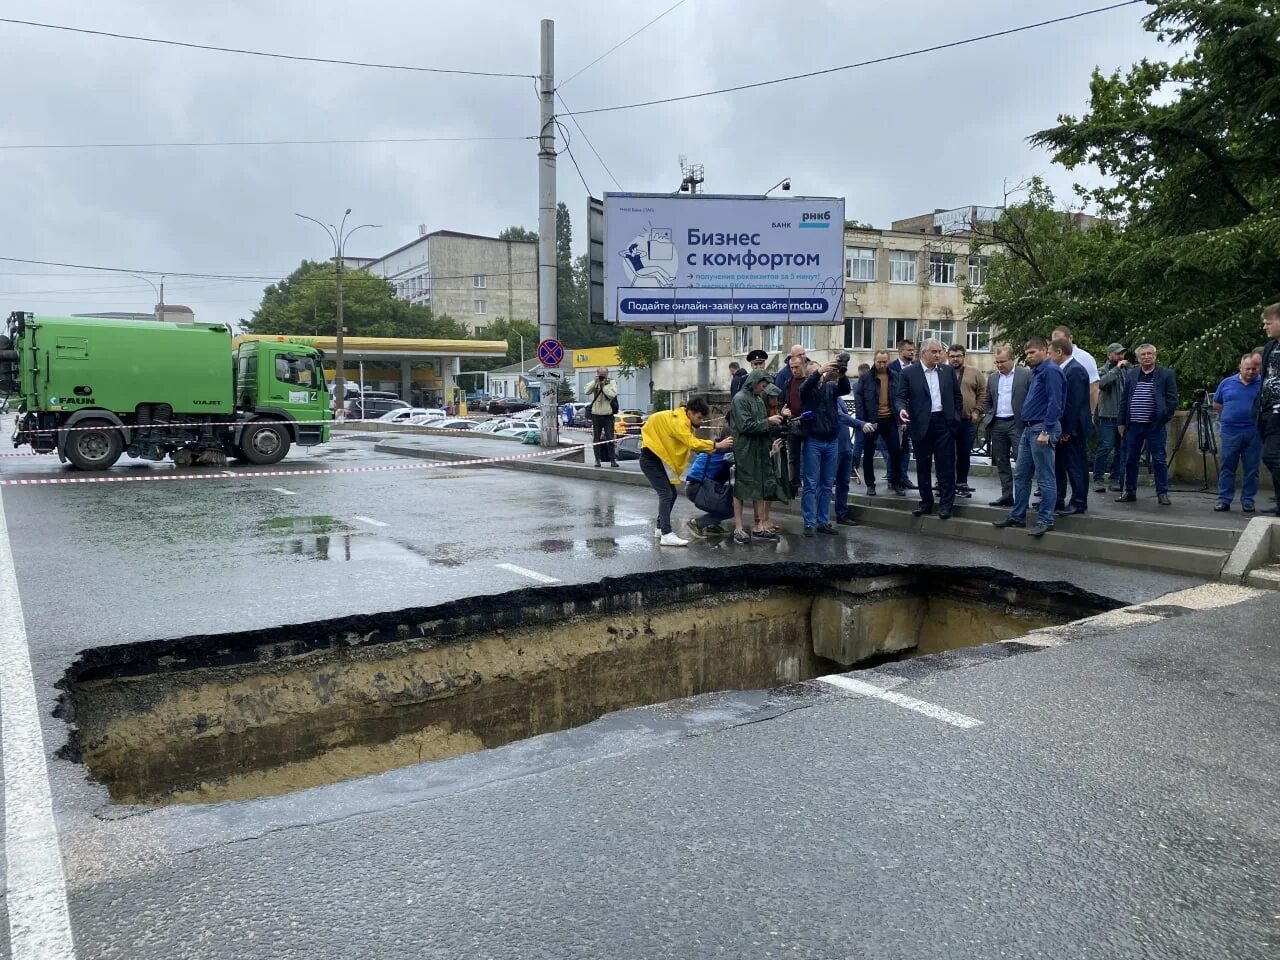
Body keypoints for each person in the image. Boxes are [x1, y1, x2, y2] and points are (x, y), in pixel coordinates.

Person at [992, 337, 1064, 538]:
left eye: (1033, 352)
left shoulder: (1051, 371)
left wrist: (1046, 431)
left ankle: (1045, 520)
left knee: (1045, 477)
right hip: (1029, 428)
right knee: (1021, 474)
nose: (1029, 356)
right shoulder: (1038, 371)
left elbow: (1055, 402)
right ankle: (1017, 515)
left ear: (1044, 350)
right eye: (1028, 353)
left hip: (1042, 428)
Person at [639, 397, 732, 546]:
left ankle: (659, 528)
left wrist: (708, 450)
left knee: (672, 494)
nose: (701, 422)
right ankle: (666, 534)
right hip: (651, 459)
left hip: (655, 458)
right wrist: (717, 444)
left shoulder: (681, 418)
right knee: (666, 494)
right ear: (690, 412)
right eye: (699, 418)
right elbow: (690, 442)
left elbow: (687, 444)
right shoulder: (680, 422)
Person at [894, 339, 963, 519]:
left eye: (940, 351)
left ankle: (946, 505)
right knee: (923, 466)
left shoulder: (947, 371)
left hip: (944, 423)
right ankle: (926, 503)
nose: (938, 355)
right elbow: (900, 397)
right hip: (921, 424)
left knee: (945, 466)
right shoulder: (909, 373)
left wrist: (954, 418)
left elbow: (957, 397)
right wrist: (902, 410)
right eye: (934, 352)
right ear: (923, 353)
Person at [1117, 343, 1178, 506]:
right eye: (1143, 354)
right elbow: (1124, 400)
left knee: (1159, 459)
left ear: (1155, 356)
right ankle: (1129, 491)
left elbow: (1172, 400)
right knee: (1131, 459)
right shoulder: (1132, 374)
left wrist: (1163, 417)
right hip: (1133, 425)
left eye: (1149, 354)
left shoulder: (1166, 374)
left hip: (1155, 426)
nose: (1146, 357)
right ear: (1138, 358)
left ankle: (1162, 493)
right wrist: (1121, 422)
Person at [729, 369, 786, 544]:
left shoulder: (757, 399)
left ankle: (758, 525)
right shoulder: (740, 399)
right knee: (741, 487)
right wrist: (768, 422)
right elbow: (746, 425)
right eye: (763, 383)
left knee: (760, 485)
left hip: (759, 448)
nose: (764, 387)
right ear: (755, 381)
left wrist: (778, 423)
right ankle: (738, 528)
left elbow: (761, 425)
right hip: (745, 449)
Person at [799, 358, 855, 535]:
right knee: (810, 483)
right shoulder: (807, 390)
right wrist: (818, 372)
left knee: (826, 484)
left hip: (831, 440)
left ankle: (823, 522)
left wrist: (842, 373)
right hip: (813, 440)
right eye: (816, 371)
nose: (822, 372)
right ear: (810, 374)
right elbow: (805, 388)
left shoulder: (830, 387)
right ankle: (809, 522)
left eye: (821, 369)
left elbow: (845, 389)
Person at [980, 345, 1031, 507]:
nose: (1000, 365)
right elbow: (987, 399)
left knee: (1021, 461)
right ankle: (1007, 495)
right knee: (1001, 462)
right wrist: (988, 414)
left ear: (1012, 359)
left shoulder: (1026, 375)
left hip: (1017, 423)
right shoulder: (994, 378)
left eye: (1003, 361)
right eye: (997, 362)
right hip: (997, 423)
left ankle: (1022, 499)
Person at [1212, 352, 1262, 512]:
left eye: (1254, 369)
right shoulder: (1227, 383)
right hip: (1230, 431)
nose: (1250, 372)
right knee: (1227, 466)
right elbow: (1217, 403)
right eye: (1247, 368)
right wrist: (1230, 415)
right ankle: (1224, 499)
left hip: (1254, 431)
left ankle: (1248, 500)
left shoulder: (1263, 383)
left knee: (1252, 468)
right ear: (1240, 367)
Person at [1049, 338, 1092, 515]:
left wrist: (1067, 430)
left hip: (1073, 429)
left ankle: (1079, 502)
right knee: (1059, 465)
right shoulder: (1064, 369)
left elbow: (1074, 404)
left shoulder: (1075, 370)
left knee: (1076, 466)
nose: (1048, 356)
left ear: (1060, 352)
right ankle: (1058, 500)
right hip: (1064, 428)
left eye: (1050, 353)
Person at [854, 350, 904, 496]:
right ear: (874, 361)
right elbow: (859, 400)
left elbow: (901, 397)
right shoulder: (866, 378)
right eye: (879, 362)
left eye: (884, 362)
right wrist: (862, 422)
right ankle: (870, 485)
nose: (882, 364)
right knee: (868, 454)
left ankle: (896, 482)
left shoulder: (895, 376)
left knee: (895, 452)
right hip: (871, 421)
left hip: (890, 419)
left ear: (888, 361)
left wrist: (902, 418)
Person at [946, 344, 987, 498]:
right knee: (946, 453)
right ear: (948, 357)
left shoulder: (974, 372)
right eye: (952, 356)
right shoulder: (942, 371)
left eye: (958, 356)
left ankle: (962, 483)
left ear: (964, 356)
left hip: (966, 420)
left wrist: (977, 410)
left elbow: (983, 392)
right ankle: (945, 482)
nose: (955, 359)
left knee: (964, 454)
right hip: (946, 421)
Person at [684, 434, 735, 537]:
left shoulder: (712, 448)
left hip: (693, 486)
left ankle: (712, 526)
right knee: (730, 510)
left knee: (722, 500)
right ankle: (697, 523)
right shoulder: (724, 454)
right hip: (699, 489)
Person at [1094, 343, 1129, 492]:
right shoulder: (1102, 370)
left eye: (1122, 353)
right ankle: (1098, 479)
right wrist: (1116, 369)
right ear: (1110, 355)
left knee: (1121, 449)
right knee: (1105, 447)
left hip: (1124, 417)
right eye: (1118, 354)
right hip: (1107, 415)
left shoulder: (1128, 371)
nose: (1121, 356)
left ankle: (1115, 479)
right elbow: (1101, 384)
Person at [775, 346, 808, 497]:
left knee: (809, 456)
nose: (794, 370)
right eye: (792, 367)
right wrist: (782, 411)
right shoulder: (788, 382)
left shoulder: (809, 381)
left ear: (804, 365)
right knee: (793, 457)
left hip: (808, 424)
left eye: (797, 367)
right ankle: (794, 484)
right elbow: (781, 402)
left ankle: (807, 483)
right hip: (792, 423)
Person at [1258, 303, 1280, 517]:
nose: (1265, 327)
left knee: (1271, 456)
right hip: (1267, 411)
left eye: (1268, 323)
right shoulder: (1270, 347)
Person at [1051, 325, 1100, 415]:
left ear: (1070, 338)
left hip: (1079, 414)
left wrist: (1090, 414)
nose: (1058, 345)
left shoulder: (1084, 358)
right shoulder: (1053, 358)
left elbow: (1094, 388)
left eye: (1061, 341)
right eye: (1054, 342)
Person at [888, 338, 917, 490]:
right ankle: (893, 478)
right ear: (900, 351)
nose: (912, 352)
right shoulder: (891, 368)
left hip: (913, 415)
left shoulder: (917, 367)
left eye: (913, 350)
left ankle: (903, 477)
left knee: (906, 448)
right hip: (895, 415)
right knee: (894, 448)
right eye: (909, 350)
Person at [584, 367, 619, 468]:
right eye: (601, 373)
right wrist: (595, 382)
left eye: (604, 373)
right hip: (596, 414)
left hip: (608, 415)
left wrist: (603, 386)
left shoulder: (612, 382)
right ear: (597, 373)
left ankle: (613, 460)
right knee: (596, 439)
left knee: (610, 438)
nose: (603, 375)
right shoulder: (595, 382)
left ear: (607, 374)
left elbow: (612, 394)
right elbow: (587, 391)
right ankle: (597, 460)